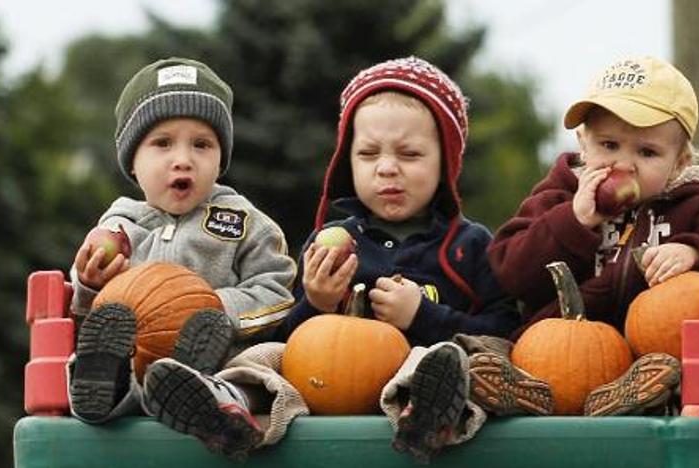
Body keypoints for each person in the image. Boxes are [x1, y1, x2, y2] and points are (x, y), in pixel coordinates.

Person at [143, 56, 549, 462]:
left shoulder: (471, 244)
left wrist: (423, 318)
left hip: (412, 383)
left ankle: (427, 417)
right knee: (264, 359)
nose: (387, 168)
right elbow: (285, 336)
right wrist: (315, 303)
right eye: (369, 154)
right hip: (320, 386)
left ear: (446, 162)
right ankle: (226, 408)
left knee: (440, 360)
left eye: (409, 154)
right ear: (347, 161)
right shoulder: (330, 242)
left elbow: (504, 332)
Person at [487, 56, 699, 416]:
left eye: (647, 152)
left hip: (645, 367)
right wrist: (574, 221)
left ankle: (632, 401)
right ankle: (498, 389)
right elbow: (510, 271)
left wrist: (695, 252)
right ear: (583, 143)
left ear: (679, 162)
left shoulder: (691, 207)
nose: (624, 164)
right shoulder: (559, 196)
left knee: (667, 379)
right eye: (609, 145)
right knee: (486, 351)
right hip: (554, 360)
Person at [66, 57, 296, 429]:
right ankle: (105, 389)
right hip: (140, 360)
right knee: (108, 360)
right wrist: (90, 285)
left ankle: (211, 402)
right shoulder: (119, 227)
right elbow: (88, 314)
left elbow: (280, 293)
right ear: (133, 162)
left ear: (221, 160)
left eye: (202, 145)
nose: (183, 160)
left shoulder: (243, 221)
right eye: (162, 143)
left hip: (223, 360)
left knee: (260, 370)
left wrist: (214, 309)